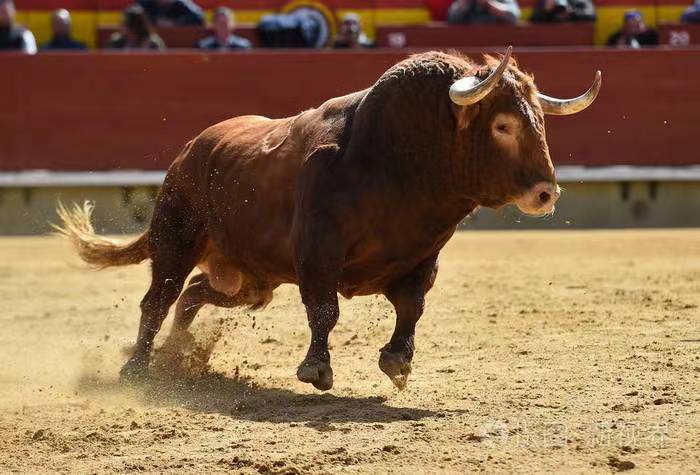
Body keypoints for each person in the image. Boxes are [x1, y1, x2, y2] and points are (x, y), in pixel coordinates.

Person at [447, 0, 520, 24]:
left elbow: (514, 17)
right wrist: (465, 4)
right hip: (468, 44)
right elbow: (452, 17)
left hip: (497, 46)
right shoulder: (467, 2)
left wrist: (489, 4)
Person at [137, 0, 203, 26]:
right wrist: (154, 21)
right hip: (148, 49)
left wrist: (175, 23)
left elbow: (199, 17)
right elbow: (132, 19)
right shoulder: (144, 4)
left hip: (178, 46)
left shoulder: (181, 4)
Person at [530, 0, 595, 22]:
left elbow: (592, 16)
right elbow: (533, 19)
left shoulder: (581, 1)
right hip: (549, 40)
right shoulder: (547, 1)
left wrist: (572, 14)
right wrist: (547, 11)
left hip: (577, 43)